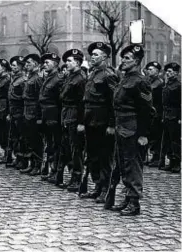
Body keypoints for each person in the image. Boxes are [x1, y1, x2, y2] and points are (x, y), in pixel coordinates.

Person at [109, 44, 152, 216]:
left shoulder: (140, 81)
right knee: (123, 163)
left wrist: (143, 134)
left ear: (136, 61)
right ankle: (127, 197)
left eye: (127, 58)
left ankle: (134, 202)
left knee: (133, 164)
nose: (123, 61)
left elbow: (147, 111)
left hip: (133, 128)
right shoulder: (125, 78)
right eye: (123, 58)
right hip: (122, 126)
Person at [79, 42, 118, 203]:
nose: (92, 57)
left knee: (104, 157)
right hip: (91, 120)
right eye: (92, 54)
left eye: (96, 54)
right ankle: (97, 186)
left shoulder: (109, 75)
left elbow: (113, 101)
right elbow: (85, 100)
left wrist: (111, 124)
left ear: (105, 57)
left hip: (102, 120)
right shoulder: (92, 74)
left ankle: (105, 189)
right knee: (93, 156)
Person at [55, 49, 86, 192]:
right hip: (66, 113)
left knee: (76, 149)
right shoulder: (70, 77)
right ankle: (70, 175)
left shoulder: (80, 78)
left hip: (74, 113)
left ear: (78, 63)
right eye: (66, 61)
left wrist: (81, 122)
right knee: (66, 146)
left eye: (69, 61)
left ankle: (77, 178)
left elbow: (82, 102)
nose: (66, 63)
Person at [38, 52, 64, 182]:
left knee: (56, 144)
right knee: (49, 144)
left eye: (47, 62)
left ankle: (55, 170)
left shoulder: (58, 79)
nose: (44, 65)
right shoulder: (48, 78)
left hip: (54, 116)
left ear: (55, 64)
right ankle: (50, 169)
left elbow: (60, 101)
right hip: (46, 115)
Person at [160, 62, 181, 173]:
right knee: (167, 140)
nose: (167, 73)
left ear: (176, 73)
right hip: (167, 114)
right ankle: (171, 161)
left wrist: (180, 117)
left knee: (175, 141)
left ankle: (177, 162)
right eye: (167, 71)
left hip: (175, 115)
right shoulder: (168, 84)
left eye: (170, 72)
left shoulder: (178, 86)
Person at [144, 61, 164, 167]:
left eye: (151, 69)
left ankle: (156, 158)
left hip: (157, 113)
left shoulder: (159, 83)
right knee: (150, 135)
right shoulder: (149, 81)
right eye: (148, 69)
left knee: (156, 136)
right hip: (149, 113)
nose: (148, 71)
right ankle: (152, 157)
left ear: (157, 71)